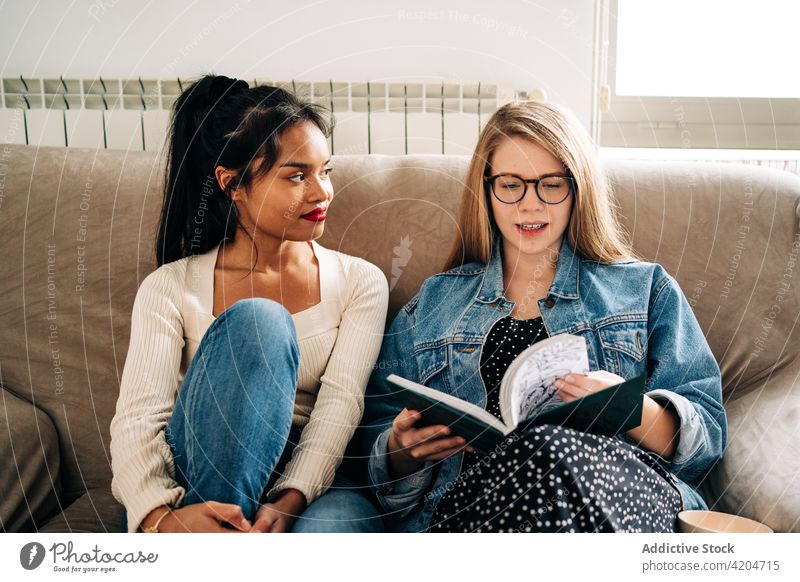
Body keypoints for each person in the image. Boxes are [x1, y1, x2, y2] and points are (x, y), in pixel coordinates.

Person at [357, 100, 727, 532]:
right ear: (487, 189)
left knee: (548, 448)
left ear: (577, 188)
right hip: (476, 513)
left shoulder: (645, 290)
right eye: (511, 185)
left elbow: (708, 437)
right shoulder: (434, 305)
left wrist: (633, 408)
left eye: (550, 185)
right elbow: (370, 439)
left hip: (620, 501)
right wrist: (399, 451)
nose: (529, 205)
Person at [110, 75, 388, 533]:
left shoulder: (361, 282)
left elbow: (341, 403)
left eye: (326, 171)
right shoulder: (169, 287)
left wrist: (291, 498)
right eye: (298, 176)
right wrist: (161, 520)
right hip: (194, 480)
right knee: (260, 321)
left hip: (307, 482)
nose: (322, 192)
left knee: (338, 528)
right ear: (232, 184)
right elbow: (139, 420)